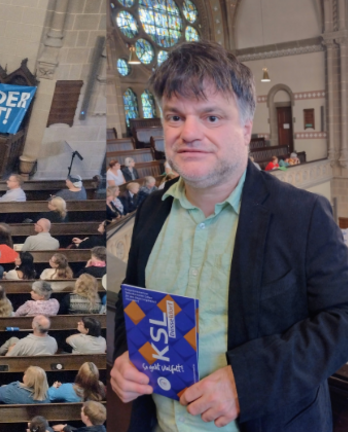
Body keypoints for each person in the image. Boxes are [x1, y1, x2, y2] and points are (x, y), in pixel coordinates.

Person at [111, 40, 348, 432]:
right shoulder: (153, 210)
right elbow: (130, 302)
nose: (189, 133)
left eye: (211, 117)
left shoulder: (302, 215)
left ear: (245, 128)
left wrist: (247, 382)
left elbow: (342, 318)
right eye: (174, 116)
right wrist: (124, 356)